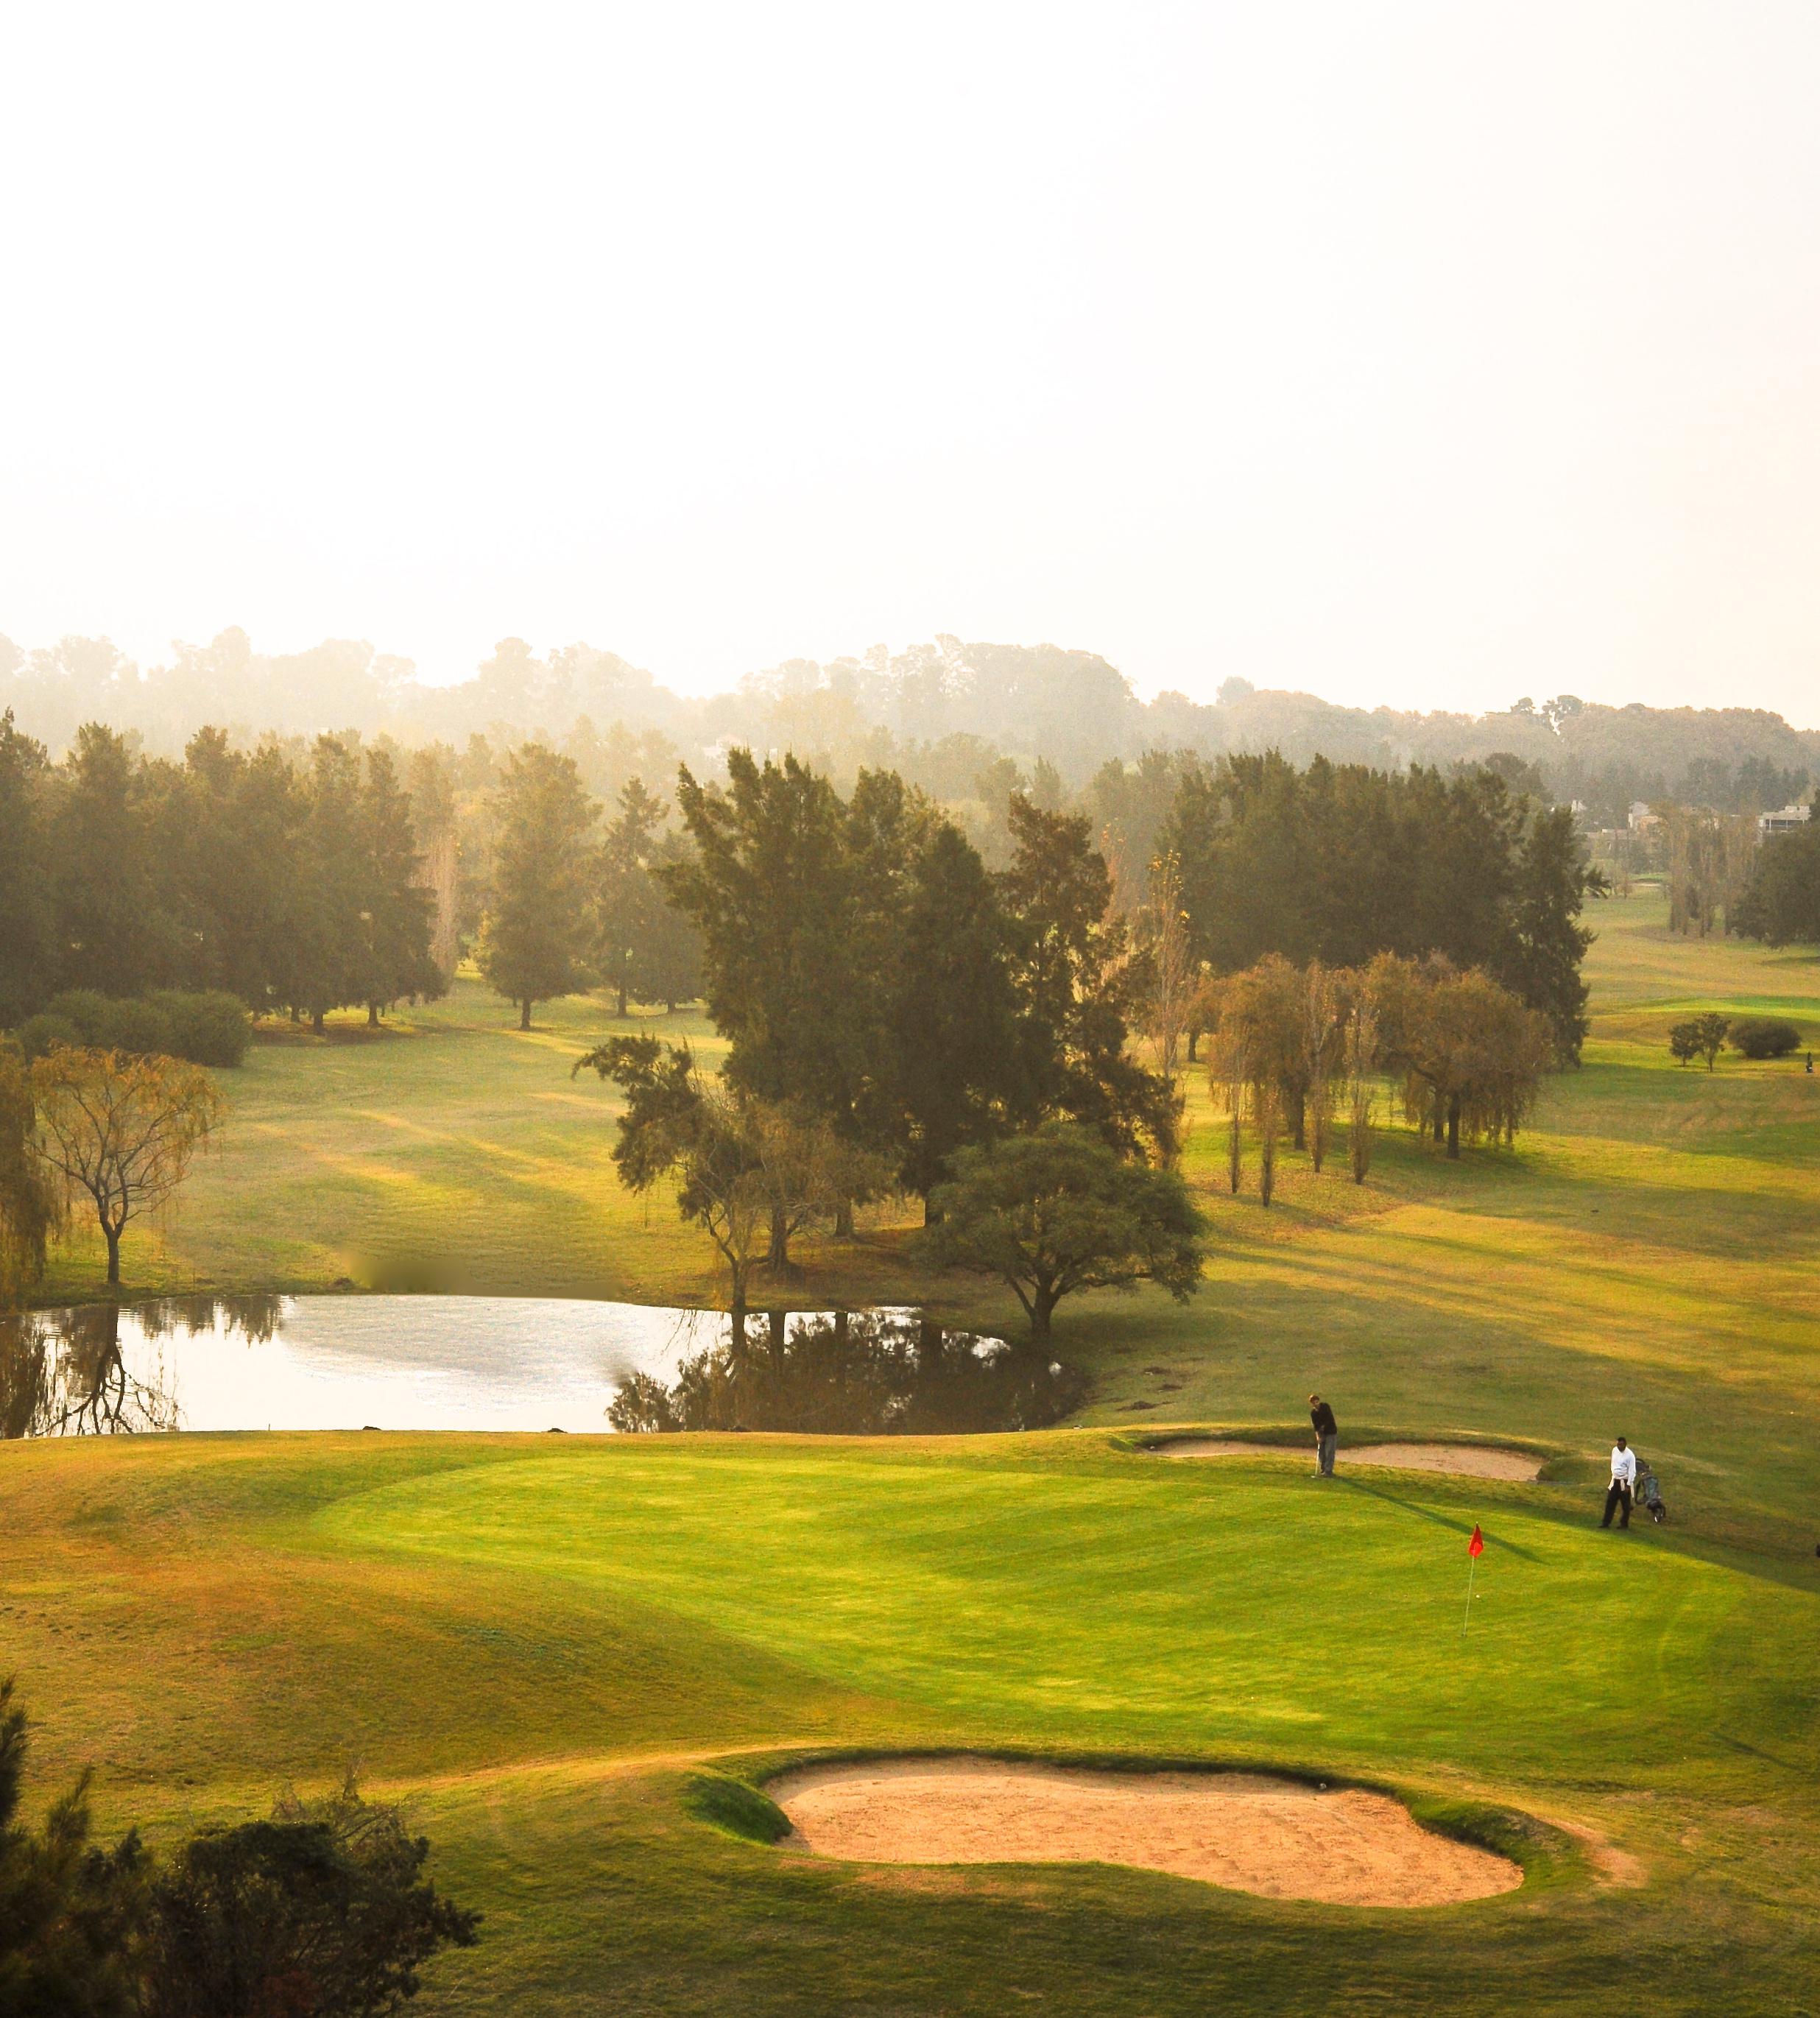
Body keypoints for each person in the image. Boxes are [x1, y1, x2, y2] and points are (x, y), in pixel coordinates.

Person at [1602, 1435, 1637, 1528]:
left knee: (1625, 1505)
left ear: (1625, 1444)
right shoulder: (1614, 1451)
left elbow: (1632, 1471)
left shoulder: (1630, 1455)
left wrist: (1628, 1485)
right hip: (1615, 1480)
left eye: (1621, 1445)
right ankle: (1606, 1522)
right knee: (1610, 1502)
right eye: (1618, 1445)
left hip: (1624, 1481)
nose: (1619, 1447)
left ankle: (1624, 1524)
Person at [1309, 1393, 1338, 1478]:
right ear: (1312, 1404)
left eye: (1317, 1402)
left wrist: (1323, 1427)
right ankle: (1323, 1470)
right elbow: (1316, 1427)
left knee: (1329, 1451)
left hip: (1331, 1432)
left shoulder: (1325, 1407)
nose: (1316, 1404)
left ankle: (1328, 1471)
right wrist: (1318, 1437)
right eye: (1314, 1403)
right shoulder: (1313, 1413)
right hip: (1322, 1434)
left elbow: (1329, 1419)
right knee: (1321, 1452)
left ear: (1319, 1401)